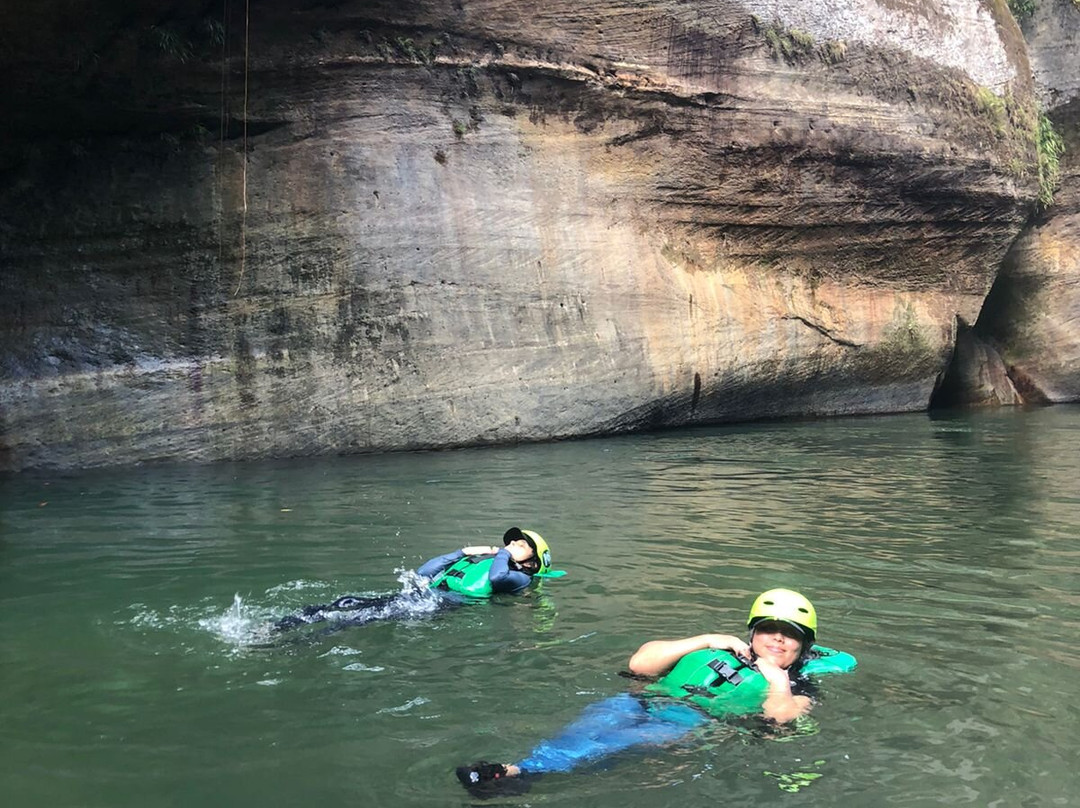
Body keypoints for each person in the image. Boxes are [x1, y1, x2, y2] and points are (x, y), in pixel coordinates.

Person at [456, 588, 855, 792]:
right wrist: (705, 638)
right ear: (752, 632)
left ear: (804, 647)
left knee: (614, 744)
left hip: (689, 722)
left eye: (790, 636)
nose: (778, 640)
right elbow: (640, 664)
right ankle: (522, 768)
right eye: (769, 630)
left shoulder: (799, 684)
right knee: (584, 730)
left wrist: (777, 679)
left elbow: (781, 719)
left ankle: (516, 774)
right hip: (643, 699)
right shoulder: (717, 647)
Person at [272, 527, 556, 631]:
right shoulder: (491, 561)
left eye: (522, 543)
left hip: (441, 606)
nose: (514, 543)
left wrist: (503, 553)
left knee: (360, 618)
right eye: (512, 541)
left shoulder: (521, 579)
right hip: (424, 596)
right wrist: (464, 552)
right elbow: (424, 573)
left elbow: (496, 579)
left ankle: (294, 641)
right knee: (349, 602)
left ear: (533, 560)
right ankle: (285, 624)